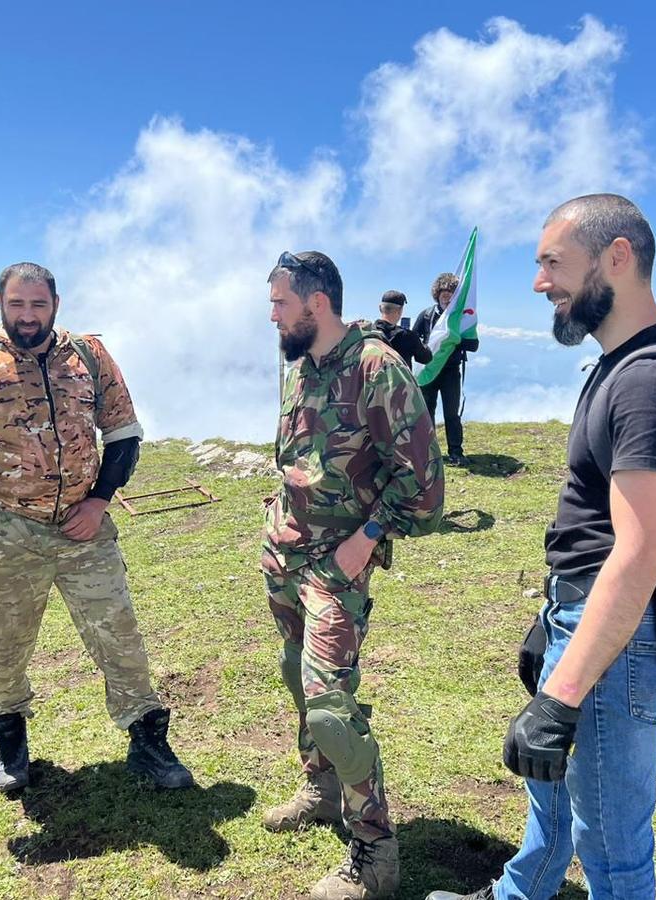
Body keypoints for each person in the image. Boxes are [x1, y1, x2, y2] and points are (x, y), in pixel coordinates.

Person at [427, 194, 656, 900]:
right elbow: (598, 530)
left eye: (552, 262)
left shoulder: (653, 380)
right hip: (584, 619)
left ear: (616, 255)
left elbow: (641, 556)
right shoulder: (622, 365)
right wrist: (551, 618)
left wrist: (560, 697)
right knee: (550, 799)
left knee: (612, 845)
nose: (538, 282)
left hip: (618, 641)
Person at [0, 261, 192, 794]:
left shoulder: (87, 355)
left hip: (83, 527)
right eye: (17, 305)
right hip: (2, 529)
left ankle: (148, 741)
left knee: (119, 636)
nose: (28, 316)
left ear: (55, 304)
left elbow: (124, 432)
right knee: (3, 646)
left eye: (38, 305)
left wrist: (100, 501)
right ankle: (11, 747)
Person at [263, 250, 444, 900]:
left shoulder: (378, 368)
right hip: (284, 556)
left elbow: (425, 489)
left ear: (316, 304)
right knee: (296, 677)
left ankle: (374, 853)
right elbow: (298, 459)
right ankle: (320, 785)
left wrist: (367, 538)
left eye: (281, 303)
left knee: (332, 707)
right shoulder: (300, 367)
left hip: (338, 568)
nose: (273, 315)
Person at [412, 273, 477, 465]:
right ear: (437, 295)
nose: (446, 298)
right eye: (443, 295)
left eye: (451, 294)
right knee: (427, 413)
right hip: (428, 370)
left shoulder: (461, 318)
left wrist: (455, 340)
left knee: (451, 414)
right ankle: (429, 453)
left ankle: (456, 452)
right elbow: (414, 338)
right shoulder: (426, 315)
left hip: (450, 372)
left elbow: (474, 344)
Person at [372, 290, 433, 366]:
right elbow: (426, 358)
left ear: (380, 308)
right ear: (400, 311)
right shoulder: (408, 336)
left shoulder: (367, 333)